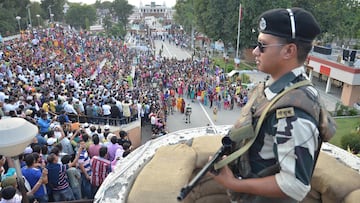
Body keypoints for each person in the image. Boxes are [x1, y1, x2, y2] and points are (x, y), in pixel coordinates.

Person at [210, 8, 331, 203]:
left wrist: (233, 184)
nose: (256, 51)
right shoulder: (279, 90)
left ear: (289, 51)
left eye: (263, 45)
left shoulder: (293, 111)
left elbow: (296, 185)